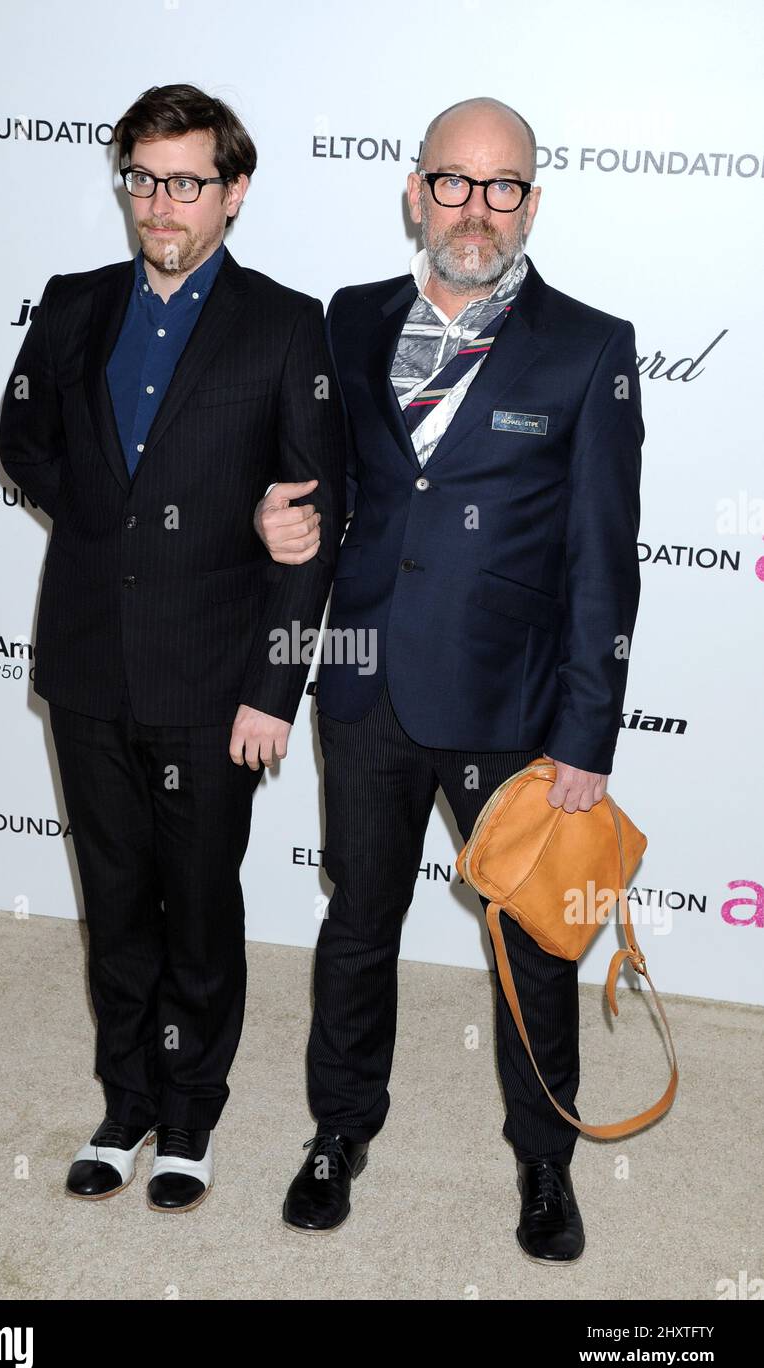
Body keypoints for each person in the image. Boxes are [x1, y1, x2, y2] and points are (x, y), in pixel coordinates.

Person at [255, 96, 644, 1261]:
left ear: (533, 198)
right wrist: (269, 536)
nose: (477, 208)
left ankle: (544, 1158)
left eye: (504, 184)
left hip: (513, 708)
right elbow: (319, 501)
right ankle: (339, 1131)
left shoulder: (588, 347)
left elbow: (602, 564)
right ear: (417, 191)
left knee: (531, 944)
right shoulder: (350, 318)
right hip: (366, 687)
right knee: (358, 924)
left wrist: (586, 737)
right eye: (455, 182)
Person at [0, 83, 345, 1213]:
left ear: (233, 193)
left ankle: (192, 1108)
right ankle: (128, 1097)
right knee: (115, 896)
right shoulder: (75, 302)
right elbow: (26, 442)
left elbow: (313, 528)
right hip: (90, 663)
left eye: (186, 182)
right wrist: (113, 518)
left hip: (214, 683)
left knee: (197, 905)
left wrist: (273, 693)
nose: (161, 204)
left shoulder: (287, 325)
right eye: (143, 178)